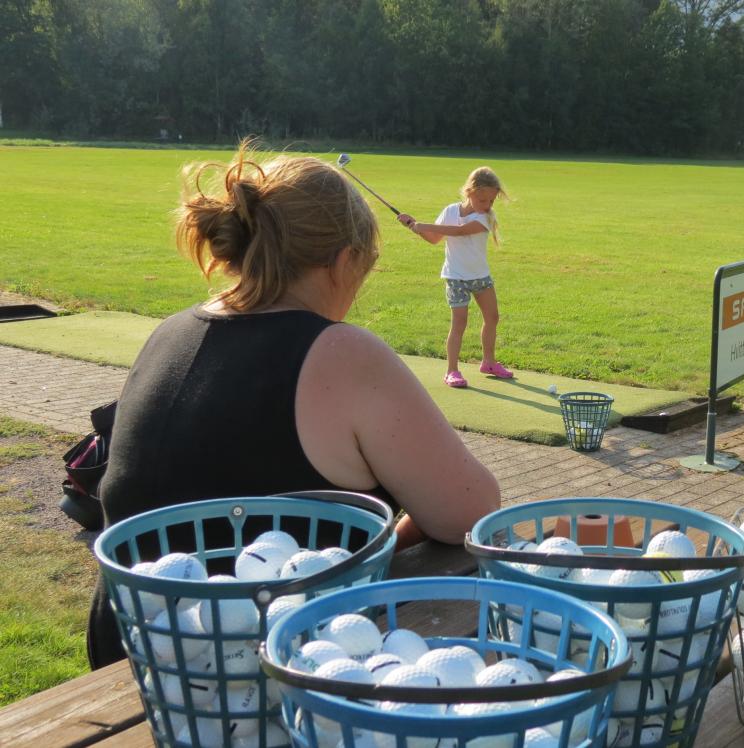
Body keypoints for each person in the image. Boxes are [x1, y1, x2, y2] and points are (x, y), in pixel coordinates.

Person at [87, 142, 500, 668]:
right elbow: (472, 511)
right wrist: (382, 544)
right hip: (248, 668)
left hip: (127, 646)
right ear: (343, 262)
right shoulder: (342, 353)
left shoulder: (168, 332)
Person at [396, 167, 512, 388]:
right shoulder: (450, 211)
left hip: (480, 276)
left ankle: (488, 362)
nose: (487, 205)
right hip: (455, 276)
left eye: (491, 201)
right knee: (459, 323)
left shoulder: (485, 217)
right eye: (483, 200)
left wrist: (423, 225)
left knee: (492, 317)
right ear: (469, 192)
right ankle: (452, 371)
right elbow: (434, 238)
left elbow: (459, 231)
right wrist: (413, 226)